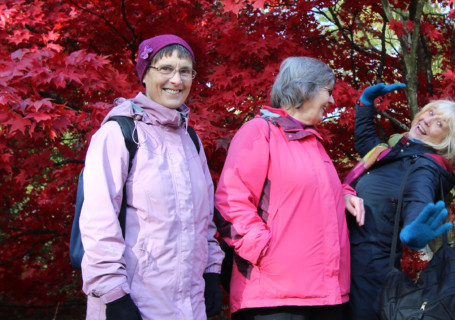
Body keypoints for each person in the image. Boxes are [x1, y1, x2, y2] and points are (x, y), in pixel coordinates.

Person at [80, 34, 224, 320]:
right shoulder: (119, 133)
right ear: (144, 74)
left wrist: (211, 272)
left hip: (190, 305)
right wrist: (113, 295)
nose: (177, 80)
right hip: (135, 302)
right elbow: (98, 222)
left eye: (185, 71)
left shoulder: (190, 140)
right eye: (166, 69)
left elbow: (203, 219)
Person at [214, 56, 365, 320]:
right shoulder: (260, 131)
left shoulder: (312, 142)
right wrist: (264, 252)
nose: (331, 101)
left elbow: (311, 191)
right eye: (328, 92)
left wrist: (343, 194)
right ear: (305, 89)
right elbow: (230, 202)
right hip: (273, 300)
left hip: (326, 297)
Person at [346, 83, 455, 319]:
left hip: (368, 269)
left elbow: (419, 196)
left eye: (439, 124)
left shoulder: (425, 165)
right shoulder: (396, 152)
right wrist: (365, 105)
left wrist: (414, 229)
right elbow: (366, 144)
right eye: (431, 112)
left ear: (447, 140)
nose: (428, 120)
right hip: (349, 255)